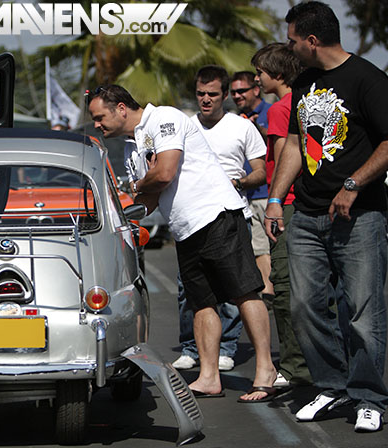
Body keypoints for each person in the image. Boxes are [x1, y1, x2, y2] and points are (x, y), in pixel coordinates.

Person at [265, 1, 388, 431]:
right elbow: (294, 144)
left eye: (292, 40)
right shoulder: (306, 82)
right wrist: (276, 199)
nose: (289, 48)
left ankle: (368, 396)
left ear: (312, 40)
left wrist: (354, 184)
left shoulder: (367, 78)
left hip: (358, 216)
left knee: (363, 310)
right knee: (306, 306)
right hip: (307, 214)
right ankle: (331, 385)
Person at [89, 85, 277, 402]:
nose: (96, 124)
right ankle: (209, 376)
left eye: (99, 117)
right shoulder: (130, 146)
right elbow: (147, 197)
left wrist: (136, 185)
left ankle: (266, 369)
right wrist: (118, 218)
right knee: (200, 302)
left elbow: (163, 173)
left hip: (217, 216)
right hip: (185, 229)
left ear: (121, 108)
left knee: (244, 291)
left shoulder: (164, 117)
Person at [172, 66, 267, 373]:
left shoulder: (241, 127)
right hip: (191, 220)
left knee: (235, 288)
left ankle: (226, 347)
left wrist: (237, 182)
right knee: (190, 291)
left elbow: (260, 172)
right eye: (200, 94)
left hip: (230, 215)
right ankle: (191, 348)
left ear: (225, 95)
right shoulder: (184, 127)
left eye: (213, 94)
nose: (206, 100)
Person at [251, 42, 312, 389]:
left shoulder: (278, 110)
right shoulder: (306, 102)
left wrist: (275, 202)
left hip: (285, 204)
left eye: (260, 73)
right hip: (307, 202)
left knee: (285, 290)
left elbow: (280, 162)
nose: (258, 79)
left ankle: (293, 366)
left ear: (277, 74)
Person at [231, 71, 275, 303]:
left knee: (276, 245)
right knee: (258, 246)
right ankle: (267, 290)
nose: (237, 96)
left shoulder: (270, 112)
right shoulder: (236, 118)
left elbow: (280, 143)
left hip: (271, 193)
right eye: (234, 92)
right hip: (246, 194)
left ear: (256, 90)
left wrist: (257, 127)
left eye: (242, 91)